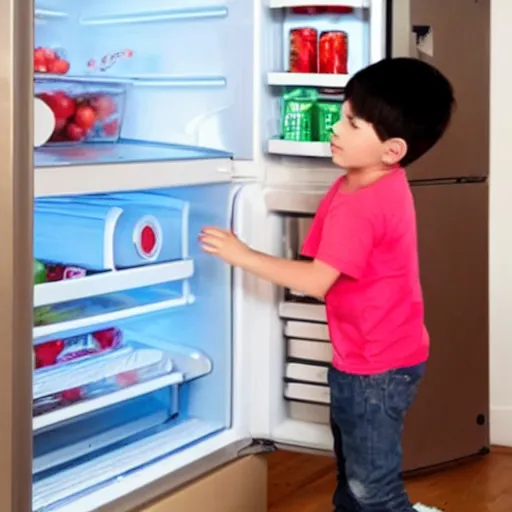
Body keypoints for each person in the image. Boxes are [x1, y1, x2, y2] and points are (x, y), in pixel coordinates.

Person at [199, 57, 454, 512]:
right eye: (341, 115)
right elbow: (322, 261)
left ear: (392, 150)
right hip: (372, 355)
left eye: (352, 124)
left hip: (376, 368)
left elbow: (318, 280)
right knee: (354, 475)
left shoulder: (364, 202)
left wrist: (243, 256)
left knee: (372, 490)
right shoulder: (358, 184)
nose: (336, 128)